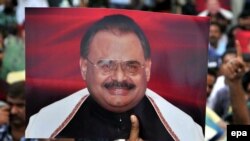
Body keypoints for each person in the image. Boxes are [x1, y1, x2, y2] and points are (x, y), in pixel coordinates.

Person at [25, 14, 204, 140]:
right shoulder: (47, 122)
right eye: (106, 65)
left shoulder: (184, 129)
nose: (119, 77)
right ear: (84, 67)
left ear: (147, 69)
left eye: (131, 66)